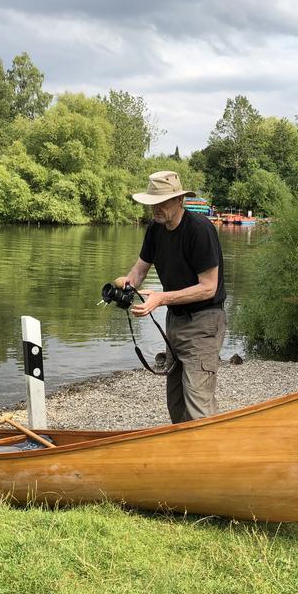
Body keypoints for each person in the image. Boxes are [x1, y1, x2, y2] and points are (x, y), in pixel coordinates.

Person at [115, 170, 226, 424]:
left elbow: (209, 287)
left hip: (205, 322)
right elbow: (139, 271)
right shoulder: (155, 229)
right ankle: (185, 457)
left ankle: (209, 459)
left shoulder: (200, 230)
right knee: (175, 402)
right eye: (152, 203)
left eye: (162, 202)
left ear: (179, 201)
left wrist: (161, 298)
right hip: (175, 323)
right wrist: (124, 286)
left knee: (198, 403)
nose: (155, 208)